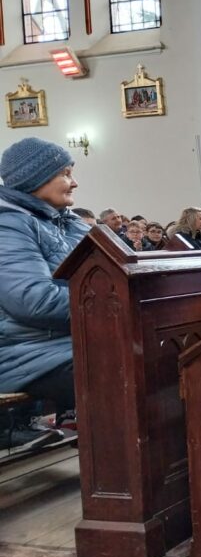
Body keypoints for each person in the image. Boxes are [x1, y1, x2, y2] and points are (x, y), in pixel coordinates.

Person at [0, 138, 91, 450]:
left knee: (155, 351)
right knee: (120, 363)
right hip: (22, 350)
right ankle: (119, 467)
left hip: (65, 341)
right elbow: (32, 300)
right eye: (65, 173)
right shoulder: (7, 225)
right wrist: (109, 306)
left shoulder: (71, 223)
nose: (74, 182)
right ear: (35, 178)